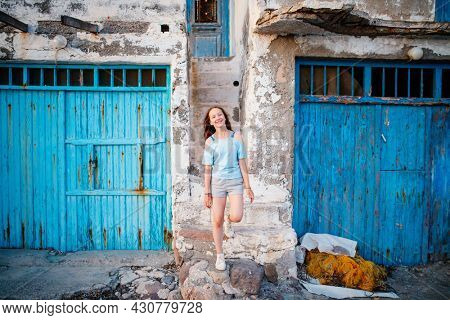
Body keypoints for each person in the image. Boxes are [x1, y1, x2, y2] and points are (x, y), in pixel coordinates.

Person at [202, 106, 254, 271]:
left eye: (219, 114)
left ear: (224, 116)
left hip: (235, 182)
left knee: (237, 216)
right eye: (213, 116)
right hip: (217, 184)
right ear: (210, 122)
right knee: (216, 220)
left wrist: (248, 186)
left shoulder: (236, 137)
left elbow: (242, 162)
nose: (217, 117)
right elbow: (208, 169)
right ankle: (220, 255)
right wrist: (207, 192)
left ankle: (228, 222)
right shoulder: (210, 142)